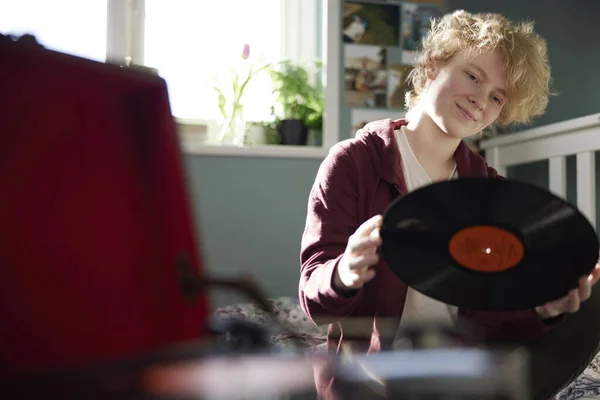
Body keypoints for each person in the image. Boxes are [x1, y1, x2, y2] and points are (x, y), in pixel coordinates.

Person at [299, 9, 600, 397]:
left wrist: (543, 310)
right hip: (373, 384)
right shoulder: (353, 162)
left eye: (496, 97)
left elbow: (496, 325)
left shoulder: (493, 193)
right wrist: (345, 273)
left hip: (465, 378)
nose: (479, 100)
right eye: (473, 76)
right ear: (431, 66)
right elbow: (314, 299)